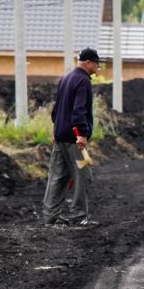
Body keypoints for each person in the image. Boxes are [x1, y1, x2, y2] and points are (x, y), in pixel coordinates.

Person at [41, 47, 101, 227]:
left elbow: (56, 110)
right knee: (84, 175)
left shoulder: (66, 79)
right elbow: (78, 111)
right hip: (75, 140)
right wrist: (82, 134)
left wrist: (56, 129)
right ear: (88, 62)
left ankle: (50, 217)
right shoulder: (83, 81)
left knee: (58, 176)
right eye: (96, 64)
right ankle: (78, 216)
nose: (97, 68)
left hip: (60, 136)